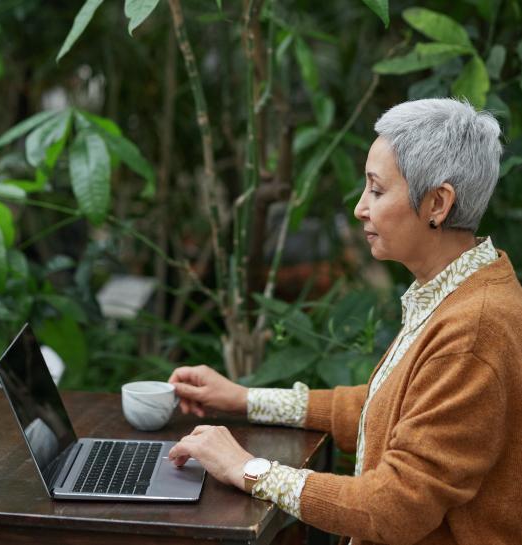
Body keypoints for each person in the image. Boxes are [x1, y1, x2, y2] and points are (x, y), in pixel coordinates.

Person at [167, 98, 522, 545]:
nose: (360, 208)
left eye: (376, 189)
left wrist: (248, 469)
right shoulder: (459, 291)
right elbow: (384, 407)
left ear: (438, 203)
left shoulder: (473, 329)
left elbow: (395, 507)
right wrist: (243, 399)